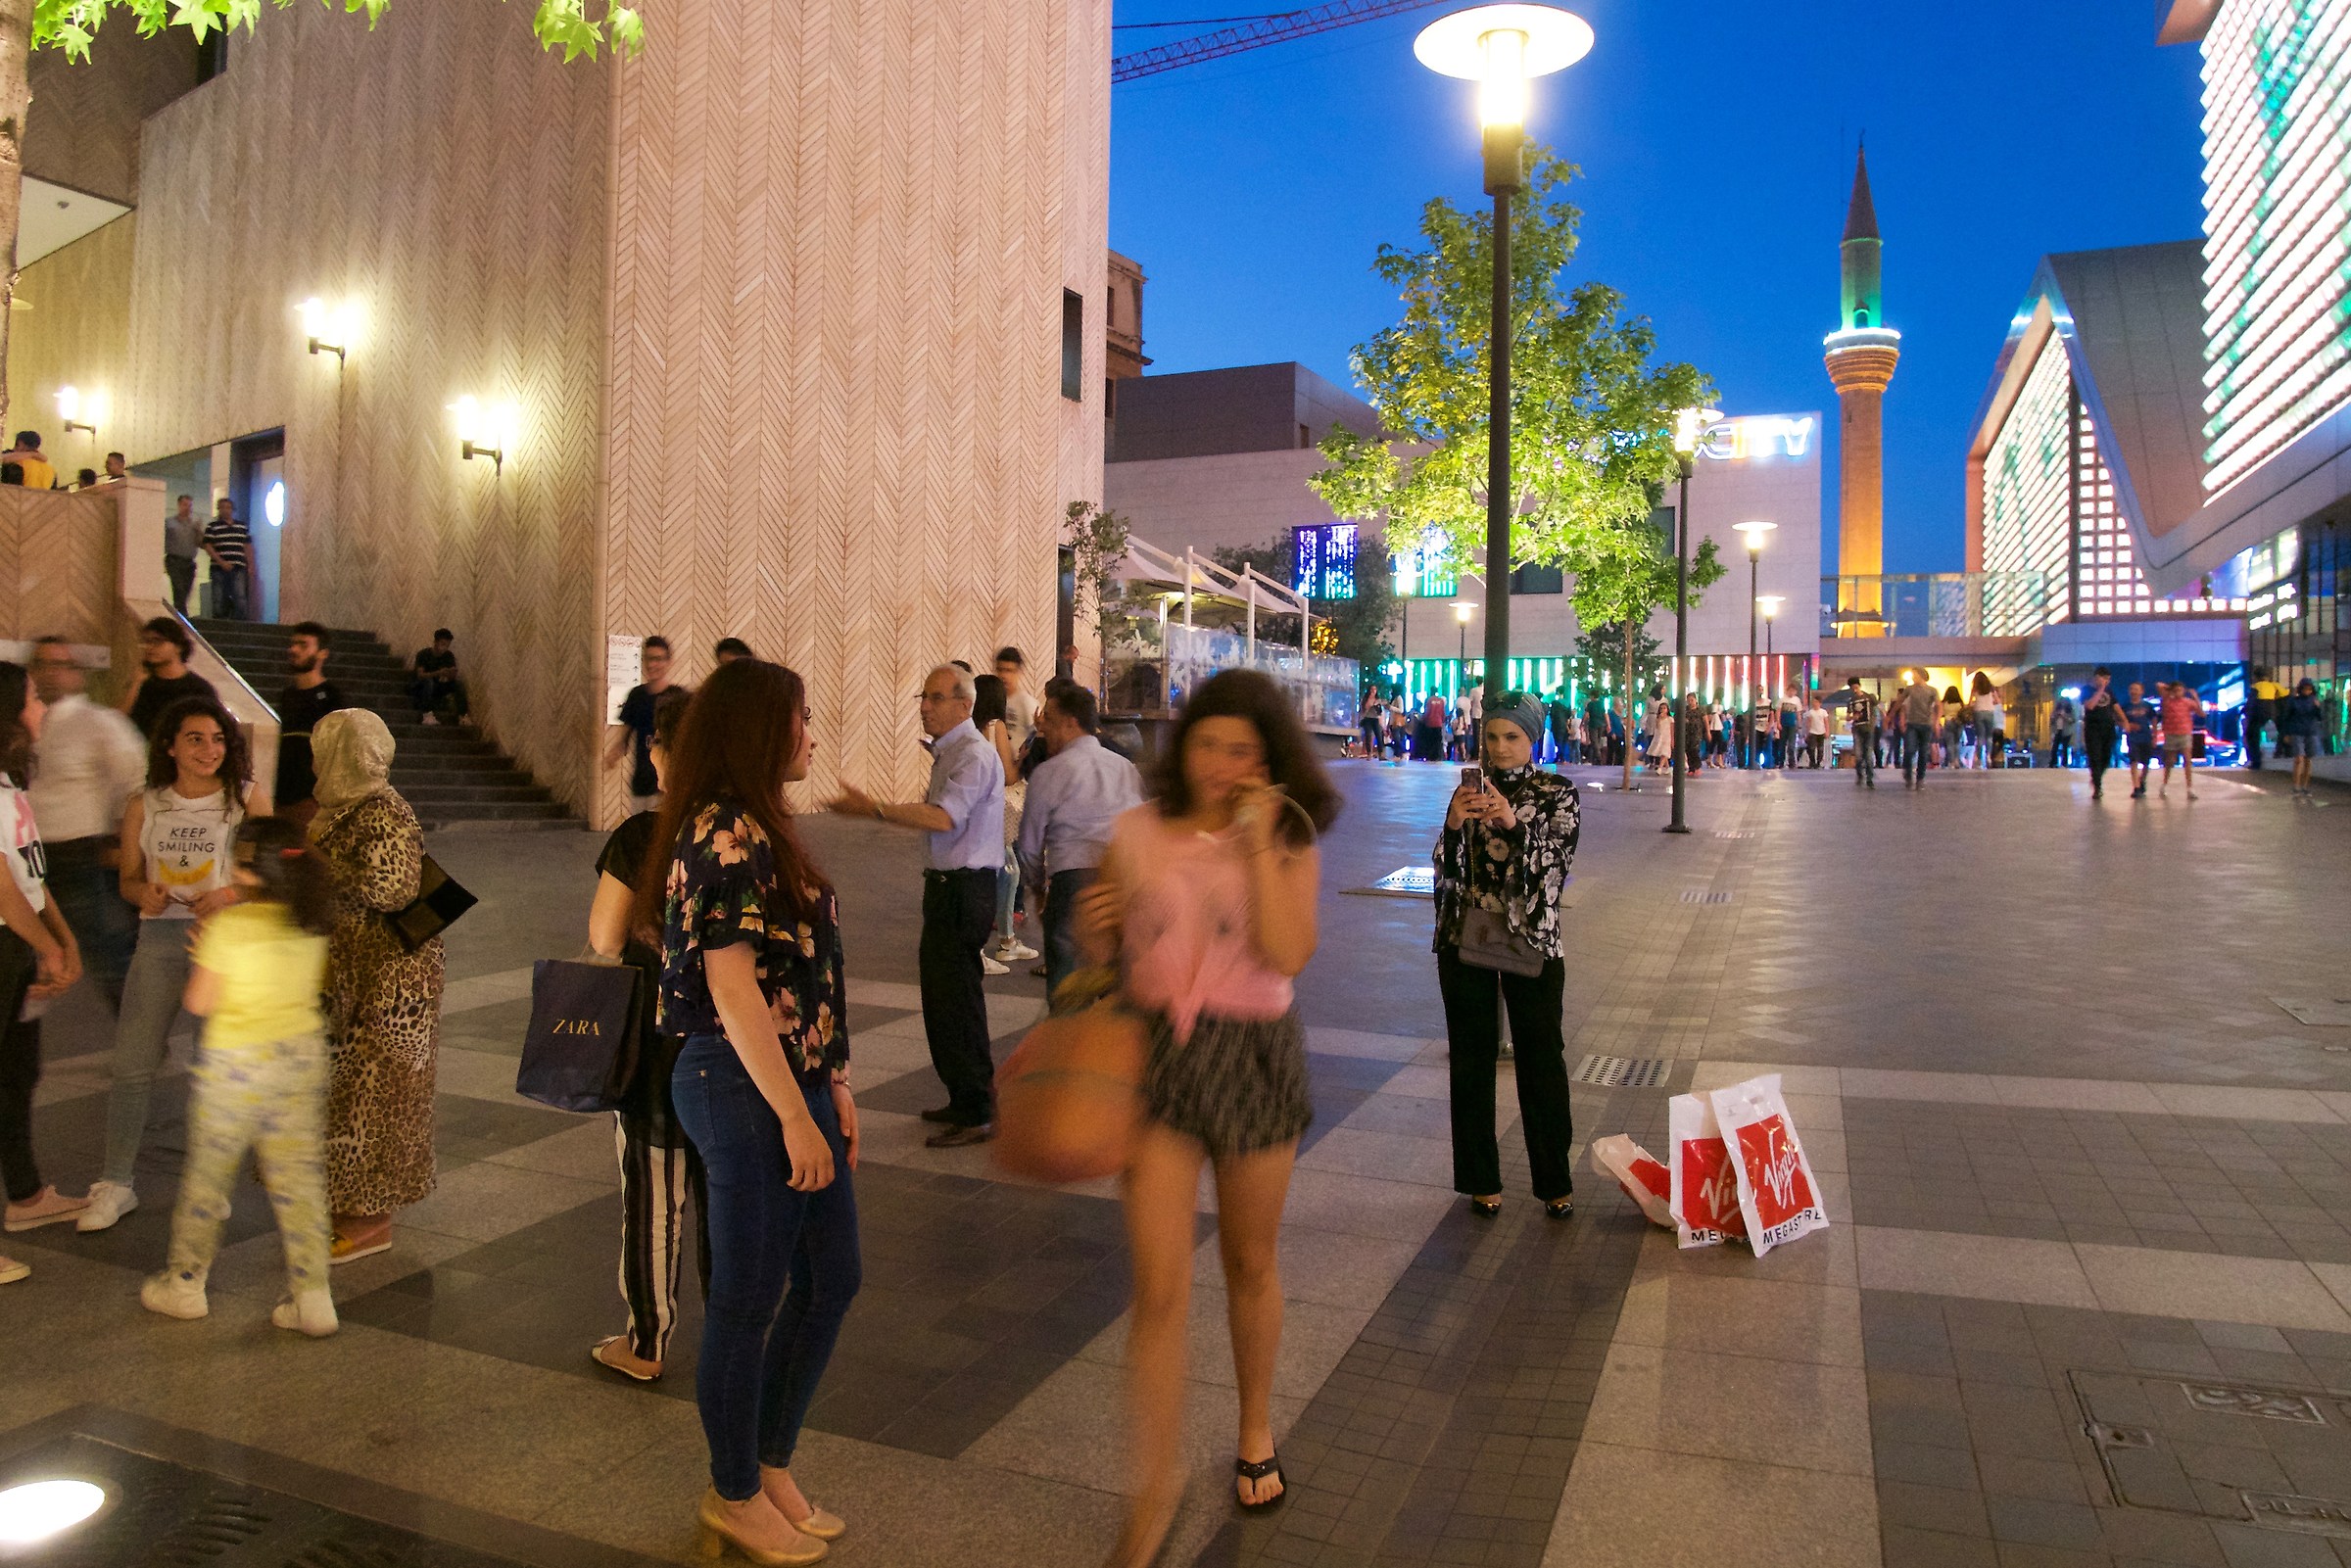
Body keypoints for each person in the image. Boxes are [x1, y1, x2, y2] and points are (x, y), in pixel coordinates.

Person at [1077, 669, 1337, 1564]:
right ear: (1180, 747)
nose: (1223, 764)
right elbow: (1107, 954)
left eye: (1243, 750)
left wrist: (1258, 843)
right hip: (1156, 1060)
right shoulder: (1134, 832)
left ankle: (1255, 1427)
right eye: (1208, 744)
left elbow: (1289, 949)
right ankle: (1153, 1486)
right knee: (1157, 1287)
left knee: (1248, 1261)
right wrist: (1095, 924)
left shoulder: (1289, 836)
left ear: (1269, 761)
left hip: (1254, 1053)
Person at [634, 658, 857, 1567]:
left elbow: (801, 972)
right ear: (762, 732)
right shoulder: (725, 831)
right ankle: (734, 1490)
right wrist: (794, 1116)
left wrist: (831, 1082)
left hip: (786, 1075)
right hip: (738, 1080)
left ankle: (767, 1463)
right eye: (801, 719)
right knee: (749, 1298)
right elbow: (730, 986)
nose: (811, 734)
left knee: (831, 1275)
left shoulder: (763, 824)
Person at [138, 815, 340, 1337]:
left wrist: (202, 956)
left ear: (245, 870)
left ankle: (184, 1285)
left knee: (208, 1176)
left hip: (235, 1066)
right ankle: (313, 1296)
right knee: (298, 1181)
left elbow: (200, 1001)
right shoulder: (311, 922)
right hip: (299, 1060)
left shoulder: (229, 926)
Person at [77, 696, 264, 1233]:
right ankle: (115, 1183)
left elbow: (276, 871)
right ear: (170, 746)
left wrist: (230, 895)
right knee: (134, 1062)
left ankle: (210, 1184)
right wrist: (145, 894)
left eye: (218, 740)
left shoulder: (245, 798)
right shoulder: (146, 802)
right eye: (195, 739)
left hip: (225, 944)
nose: (210, 750)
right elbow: (129, 880)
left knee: (213, 1069)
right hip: (159, 938)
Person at [585, 688, 708, 1382]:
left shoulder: (644, 838)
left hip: (659, 1045)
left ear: (663, 754)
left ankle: (647, 1342)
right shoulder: (753, 835)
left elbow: (603, 935)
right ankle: (734, 1332)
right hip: (738, 1050)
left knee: (654, 1196)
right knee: (726, 1193)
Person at [826, 664, 1002, 1148]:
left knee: (956, 1001)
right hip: (949, 888)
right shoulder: (952, 753)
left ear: (964, 705)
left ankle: (976, 1109)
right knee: (945, 999)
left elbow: (944, 818)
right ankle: (965, 1097)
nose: (924, 706)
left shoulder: (972, 755)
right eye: (923, 697)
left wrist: (874, 809)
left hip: (964, 890)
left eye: (935, 698)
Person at [1436, 692, 1578, 1225]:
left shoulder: (1557, 793)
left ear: (1533, 737)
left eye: (1512, 737)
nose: (1500, 748)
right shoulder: (1468, 789)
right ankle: (1481, 1181)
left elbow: (1556, 867)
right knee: (1470, 1061)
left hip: (1532, 941)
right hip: (1467, 937)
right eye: (1492, 736)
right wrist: (1453, 824)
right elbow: (1444, 869)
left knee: (1541, 1060)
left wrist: (1515, 825)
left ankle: (1554, 1182)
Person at [310, 709, 443, 1261]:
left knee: (379, 1100)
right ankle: (349, 1207)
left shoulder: (383, 812)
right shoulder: (348, 809)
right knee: (350, 1099)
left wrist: (316, 871)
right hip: (359, 978)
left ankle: (370, 1222)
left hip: (389, 986)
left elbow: (392, 890)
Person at [0, 661, 90, 1273]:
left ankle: (26, 1194)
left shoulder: (12, 783)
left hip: (17, 940)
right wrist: (49, 947)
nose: (41, 705)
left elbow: (29, 876)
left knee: (17, 1072)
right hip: (4, 939)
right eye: (33, 696)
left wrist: (61, 935)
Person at [28, 638, 142, 1016]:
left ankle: (138, 1039)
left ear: (78, 674)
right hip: (26, 853)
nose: (52, 672)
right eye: (43, 664)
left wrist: (120, 836)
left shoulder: (98, 722)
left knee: (105, 951)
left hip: (75, 851)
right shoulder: (24, 721)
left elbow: (134, 781)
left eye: (61, 664)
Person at [1017, 683, 1141, 998]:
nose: (1043, 727)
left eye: (1051, 720)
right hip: (1124, 884)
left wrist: (1037, 890)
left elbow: (1029, 847)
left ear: (1071, 723)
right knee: (1117, 990)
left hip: (1071, 885)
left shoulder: (1049, 772)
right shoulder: (1125, 768)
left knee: (1068, 994)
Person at [972, 674, 1033, 974]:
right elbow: (1008, 775)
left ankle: (1005, 940)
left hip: (976, 813)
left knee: (1002, 873)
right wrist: (1021, 759)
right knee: (1006, 873)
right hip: (993, 811)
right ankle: (995, 945)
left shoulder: (968, 728)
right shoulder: (993, 726)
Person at [275, 622, 350, 815]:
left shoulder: (333, 697)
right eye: (293, 644)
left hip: (312, 801)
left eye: (303, 645)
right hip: (282, 796)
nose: (293, 650)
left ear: (322, 653)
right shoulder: (287, 695)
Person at [606, 635, 678, 814]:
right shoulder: (636, 696)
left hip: (669, 786)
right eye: (648, 659)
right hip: (642, 782)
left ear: (668, 662)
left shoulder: (677, 697)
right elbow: (623, 737)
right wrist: (613, 755)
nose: (652, 664)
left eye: (658, 659)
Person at [121, 618, 216, 738]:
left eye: (157, 641)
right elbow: (117, 721)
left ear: (178, 646)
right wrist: (135, 684)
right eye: (145, 641)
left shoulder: (198, 689)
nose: (149, 647)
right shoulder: (142, 682)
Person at [202, 498, 256, 620]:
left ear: (232, 509)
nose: (226, 510)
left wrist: (251, 564)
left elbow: (247, 546)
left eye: (228, 507)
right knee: (219, 596)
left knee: (240, 595)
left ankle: (240, 622)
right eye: (223, 508)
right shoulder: (213, 527)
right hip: (218, 567)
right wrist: (221, 562)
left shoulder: (241, 526)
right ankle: (219, 621)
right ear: (219, 510)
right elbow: (208, 545)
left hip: (238, 565)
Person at [2281, 678, 2327, 798]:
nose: (2307, 691)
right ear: (2300, 689)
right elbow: (2287, 717)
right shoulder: (2294, 701)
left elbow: (2320, 717)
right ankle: (2296, 786)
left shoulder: (2314, 701)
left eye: (2309, 689)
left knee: (2308, 760)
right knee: (2298, 759)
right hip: (2297, 731)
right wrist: (2286, 733)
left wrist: (2318, 708)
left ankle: (2305, 787)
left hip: (2311, 732)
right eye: (2305, 689)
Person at [2080, 668, 2121, 799]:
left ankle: (2096, 778)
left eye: (2108, 680)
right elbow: (2090, 705)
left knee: (2107, 757)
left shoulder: (2110, 691)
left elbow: (2115, 707)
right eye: (2105, 679)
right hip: (2093, 728)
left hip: (2108, 727)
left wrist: (2124, 720)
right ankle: (2097, 787)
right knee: (2095, 757)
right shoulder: (2087, 690)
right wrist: (2100, 690)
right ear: (2097, 677)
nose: (2107, 682)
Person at [409, 630, 465, 725]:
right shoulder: (424, 654)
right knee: (428, 682)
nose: (444, 648)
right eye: (442, 644)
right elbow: (420, 675)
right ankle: (427, 714)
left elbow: (451, 676)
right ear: (435, 642)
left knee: (458, 684)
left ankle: (463, 715)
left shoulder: (448, 656)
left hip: (438, 686)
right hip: (420, 686)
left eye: (447, 645)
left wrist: (451, 673)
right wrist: (438, 673)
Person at [2158, 681, 2200, 799]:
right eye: (2176, 690)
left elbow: (2201, 713)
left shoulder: (2187, 702)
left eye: (2180, 690)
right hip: (2171, 734)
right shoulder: (2167, 701)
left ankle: (2190, 788)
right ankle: (2164, 785)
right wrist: (2170, 689)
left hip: (2184, 733)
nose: (2178, 692)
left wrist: (2196, 698)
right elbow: (2159, 685)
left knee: (2187, 760)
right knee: (2170, 761)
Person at [163, 496, 202, 613]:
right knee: (178, 588)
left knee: (186, 591)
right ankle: (183, 614)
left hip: (189, 562)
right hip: (174, 560)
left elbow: (200, 543)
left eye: (190, 506)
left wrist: (198, 531)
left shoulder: (194, 525)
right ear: (179, 505)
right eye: (185, 505)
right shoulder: (169, 523)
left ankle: (179, 612)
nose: (188, 508)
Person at [2122, 681, 2159, 799]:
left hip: (2146, 737)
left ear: (2141, 691)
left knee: (2146, 763)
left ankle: (2142, 780)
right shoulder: (2126, 706)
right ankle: (2136, 787)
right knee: (2133, 761)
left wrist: (2155, 735)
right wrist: (2127, 725)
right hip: (2133, 737)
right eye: (2132, 689)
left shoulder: (2147, 706)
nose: (2134, 691)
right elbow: (2119, 719)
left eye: (2136, 689)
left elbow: (2154, 720)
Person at [1902, 672, 1940, 788]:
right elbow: (1900, 702)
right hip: (1912, 723)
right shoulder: (1909, 689)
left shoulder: (1932, 690)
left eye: (1915, 675)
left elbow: (1938, 705)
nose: (1913, 677)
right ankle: (1908, 773)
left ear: (1921, 676)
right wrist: (1892, 717)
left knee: (1923, 752)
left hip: (1926, 724)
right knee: (1909, 750)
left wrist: (1936, 721)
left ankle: (1920, 778)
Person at [2248, 665, 2286, 771]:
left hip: (2258, 711)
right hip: (2273, 711)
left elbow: (2251, 702)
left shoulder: (2255, 686)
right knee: (2280, 732)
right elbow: (2285, 696)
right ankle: (2280, 752)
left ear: (2256, 676)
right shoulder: (2274, 685)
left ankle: (2256, 762)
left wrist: (2244, 713)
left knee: (2252, 736)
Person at [1845, 677, 1878, 788]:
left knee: (1868, 754)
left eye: (1856, 687)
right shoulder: (1851, 701)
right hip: (1857, 729)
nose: (1855, 690)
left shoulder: (1869, 697)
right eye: (1853, 688)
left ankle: (1869, 778)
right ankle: (1860, 775)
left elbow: (1878, 707)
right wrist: (1853, 717)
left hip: (1868, 728)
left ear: (1859, 686)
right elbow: (1847, 717)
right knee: (1858, 755)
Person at [2049, 690, 2078, 769]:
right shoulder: (2056, 710)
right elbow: (2051, 719)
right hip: (2057, 730)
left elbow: (2073, 720)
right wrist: (2055, 716)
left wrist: (2065, 717)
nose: (2063, 703)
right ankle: (2053, 762)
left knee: (2065, 747)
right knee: (2055, 747)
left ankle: (2064, 763)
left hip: (2066, 731)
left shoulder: (2070, 710)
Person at [1804, 694, 1829, 768]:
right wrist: (1807, 733)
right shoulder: (1810, 712)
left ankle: (1818, 762)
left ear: (1820, 703)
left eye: (1816, 702)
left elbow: (1826, 722)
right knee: (1811, 748)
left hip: (1821, 731)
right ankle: (1812, 761)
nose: (1815, 703)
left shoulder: (1823, 712)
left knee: (1820, 748)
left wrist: (1827, 731)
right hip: (1812, 732)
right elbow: (1808, 723)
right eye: (1814, 702)